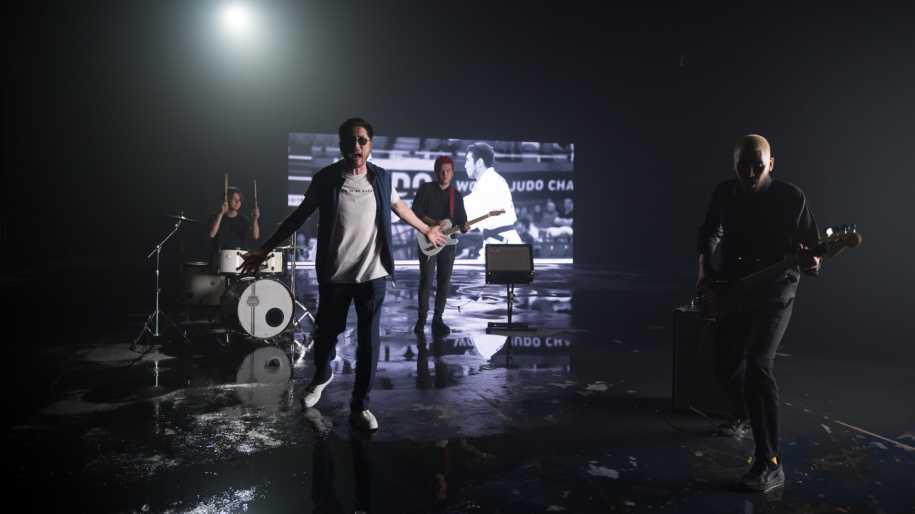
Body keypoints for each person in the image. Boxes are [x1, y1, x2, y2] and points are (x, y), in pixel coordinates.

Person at [240, 117, 447, 432]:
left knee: (369, 343)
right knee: (326, 335)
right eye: (351, 140)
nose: (357, 146)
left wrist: (426, 229)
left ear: (370, 145)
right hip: (335, 275)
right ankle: (322, 375)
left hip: (372, 274)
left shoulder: (381, 178)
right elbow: (298, 217)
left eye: (362, 140)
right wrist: (265, 249)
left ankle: (360, 405)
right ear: (341, 146)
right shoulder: (326, 179)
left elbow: (400, 207)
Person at [696, 134, 821, 493]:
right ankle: (740, 414)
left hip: (776, 292)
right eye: (743, 166)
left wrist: (813, 261)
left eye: (758, 165)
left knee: (757, 365)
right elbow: (709, 233)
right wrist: (705, 275)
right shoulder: (724, 193)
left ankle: (770, 463)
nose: (750, 173)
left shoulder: (791, 197)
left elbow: (813, 251)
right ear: (733, 164)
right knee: (725, 362)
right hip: (735, 287)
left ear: (771, 164)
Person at [411, 156, 469, 336]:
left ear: (452, 173)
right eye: (442, 171)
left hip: (448, 244)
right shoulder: (426, 189)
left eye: (448, 171)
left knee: (444, 282)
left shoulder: (456, 195)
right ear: (436, 172)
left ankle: (438, 319)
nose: (445, 174)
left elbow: (461, 221)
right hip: (428, 240)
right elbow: (416, 212)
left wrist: (464, 226)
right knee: (426, 281)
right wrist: (435, 223)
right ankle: (421, 320)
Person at [462, 142, 521, 251]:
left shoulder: (489, 182)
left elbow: (465, 217)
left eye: (468, 160)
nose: (465, 165)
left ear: (479, 162)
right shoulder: (489, 180)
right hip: (499, 242)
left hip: (503, 245)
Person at [208, 186, 260, 265]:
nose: (237, 202)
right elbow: (212, 234)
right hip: (220, 259)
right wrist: (221, 213)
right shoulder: (216, 217)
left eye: (239, 200)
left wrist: (255, 219)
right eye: (234, 199)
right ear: (226, 200)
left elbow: (256, 236)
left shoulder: (244, 219)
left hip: (240, 259)